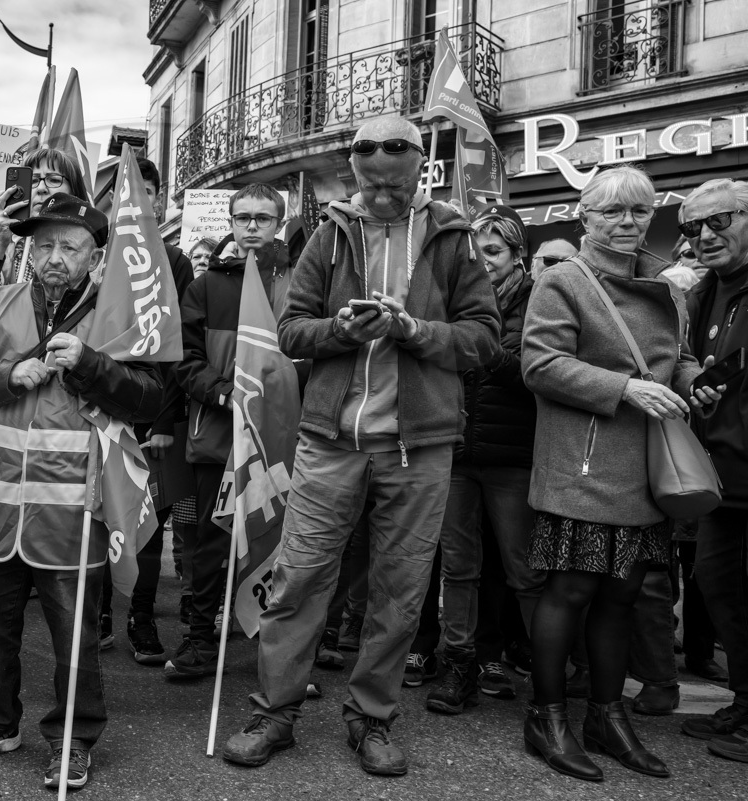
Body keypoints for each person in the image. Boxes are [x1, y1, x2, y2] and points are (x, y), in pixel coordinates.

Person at [221, 116, 500, 777]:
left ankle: (371, 719)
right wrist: (342, 331)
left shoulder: (453, 237)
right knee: (297, 581)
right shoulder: (328, 232)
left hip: (420, 446)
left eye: (392, 179)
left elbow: (485, 339)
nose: (379, 191)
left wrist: (412, 328)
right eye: (367, 177)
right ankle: (274, 713)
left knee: (400, 594)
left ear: (417, 169)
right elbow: (291, 332)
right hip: (329, 442)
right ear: (352, 169)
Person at [0, 193, 161, 791]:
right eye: (42, 245)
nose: (52, 257)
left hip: (71, 503)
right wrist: (6, 374)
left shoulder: (120, 314)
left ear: (97, 254)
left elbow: (151, 398)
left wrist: (89, 363)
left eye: (68, 246)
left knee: (74, 630)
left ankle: (73, 736)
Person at [519, 165, 715, 782]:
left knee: (622, 595)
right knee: (572, 591)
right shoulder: (562, 281)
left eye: (638, 211)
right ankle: (547, 718)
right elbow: (540, 365)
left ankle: (606, 715)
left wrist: (693, 383)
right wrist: (626, 388)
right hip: (582, 463)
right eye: (613, 212)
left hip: (644, 466)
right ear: (586, 216)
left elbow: (676, 360)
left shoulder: (668, 287)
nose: (628, 223)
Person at [170, 183, 294, 680]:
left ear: (278, 222)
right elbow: (184, 358)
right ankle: (201, 639)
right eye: (242, 218)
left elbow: (310, 354)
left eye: (262, 218)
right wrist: (225, 393)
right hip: (217, 439)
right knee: (209, 544)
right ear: (231, 221)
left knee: (280, 545)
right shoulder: (205, 287)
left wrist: (277, 395)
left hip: (280, 439)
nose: (251, 228)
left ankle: (280, 650)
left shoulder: (299, 280)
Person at [424, 204, 543, 714]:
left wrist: (486, 349)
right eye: (476, 250)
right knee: (459, 567)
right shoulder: (456, 297)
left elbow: (541, 374)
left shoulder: (539, 300)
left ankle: (549, 675)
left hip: (512, 456)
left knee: (523, 569)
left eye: (493, 250)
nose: (483, 260)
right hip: (456, 450)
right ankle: (459, 665)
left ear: (518, 255)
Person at [97, 157, 194, 662]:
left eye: (147, 190)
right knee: (97, 518)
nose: (135, 198)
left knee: (149, 525)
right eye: (122, 192)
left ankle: (140, 618)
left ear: (158, 198)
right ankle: (97, 618)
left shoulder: (174, 262)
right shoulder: (94, 253)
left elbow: (176, 349)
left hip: (151, 415)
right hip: (98, 412)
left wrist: (161, 423)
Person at [678, 178, 748, 762]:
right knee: (719, 586)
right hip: (720, 476)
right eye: (691, 227)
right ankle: (745, 701)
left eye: (718, 221)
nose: (703, 236)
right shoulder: (701, 294)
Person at [0, 147, 89, 321]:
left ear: (74, 192)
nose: (41, 188)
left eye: (53, 180)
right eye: (33, 181)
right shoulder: (8, 248)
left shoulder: (94, 250)